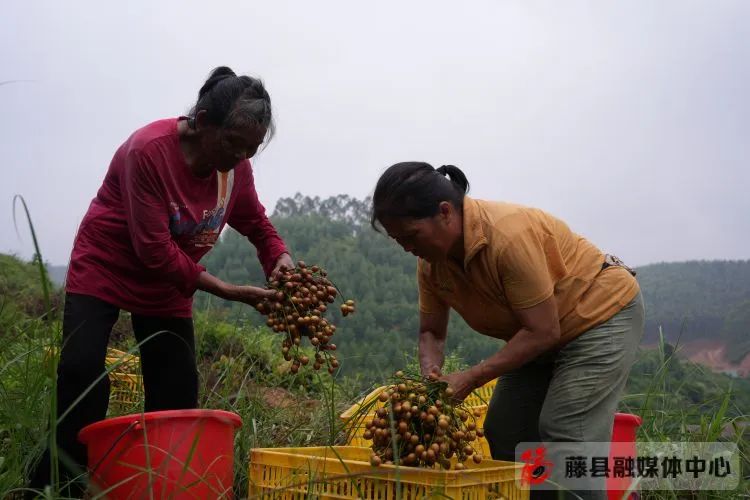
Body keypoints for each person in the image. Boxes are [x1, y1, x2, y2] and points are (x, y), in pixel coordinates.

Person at [28, 66, 293, 496]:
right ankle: (57, 482)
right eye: (233, 143)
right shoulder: (148, 151)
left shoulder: (234, 169)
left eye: (252, 148)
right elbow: (153, 250)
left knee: (176, 389)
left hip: (169, 280)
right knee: (81, 371)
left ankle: (161, 484)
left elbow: (255, 222)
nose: (242, 157)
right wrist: (228, 292)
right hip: (108, 265)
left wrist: (278, 257)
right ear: (203, 121)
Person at [371, 162, 644, 499]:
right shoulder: (431, 264)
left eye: (411, 236)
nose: (406, 247)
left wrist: (470, 377)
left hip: (597, 315)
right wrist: (432, 378)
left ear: (445, 213)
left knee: (568, 432)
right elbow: (431, 333)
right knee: (506, 430)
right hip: (538, 334)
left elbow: (543, 331)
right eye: (398, 239)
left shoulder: (507, 236)